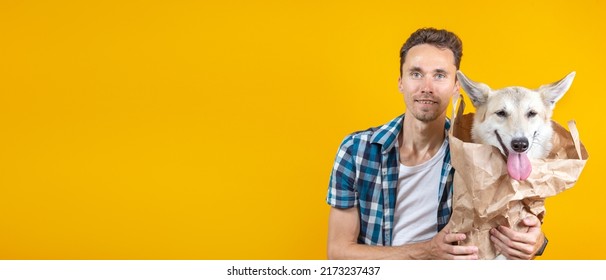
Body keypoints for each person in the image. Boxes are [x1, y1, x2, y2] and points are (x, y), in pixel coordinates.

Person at [326, 27, 547, 260]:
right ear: (401, 82)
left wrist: (537, 242)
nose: (427, 87)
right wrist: (427, 251)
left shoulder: (480, 153)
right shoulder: (356, 151)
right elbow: (338, 253)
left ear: (456, 87)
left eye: (439, 75)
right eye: (416, 73)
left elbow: (518, 223)